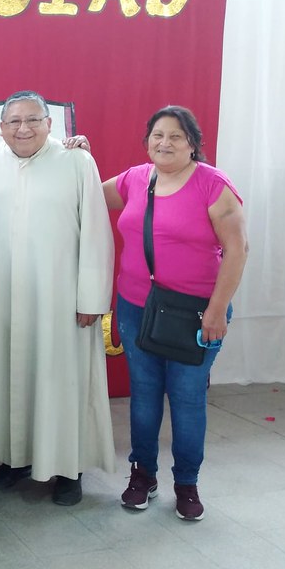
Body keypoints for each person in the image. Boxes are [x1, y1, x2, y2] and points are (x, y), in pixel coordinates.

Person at [0, 90, 115, 506]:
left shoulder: (76, 161)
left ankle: (69, 469)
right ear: (1, 127)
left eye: (33, 119)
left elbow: (96, 231)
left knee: (62, 380)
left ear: (50, 124)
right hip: (2, 295)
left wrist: (91, 298)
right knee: (8, 378)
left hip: (61, 297)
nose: (24, 128)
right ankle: (14, 459)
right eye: (14, 121)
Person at [103, 106, 247, 520]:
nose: (164, 143)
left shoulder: (212, 185)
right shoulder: (135, 179)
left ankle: (186, 483)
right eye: (157, 135)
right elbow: (85, 193)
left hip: (195, 313)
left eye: (176, 136)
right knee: (144, 394)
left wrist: (216, 311)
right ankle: (142, 475)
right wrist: (75, 152)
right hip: (136, 308)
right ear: (147, 140)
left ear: (192, 144)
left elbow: (238, 249)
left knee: (186, 397)